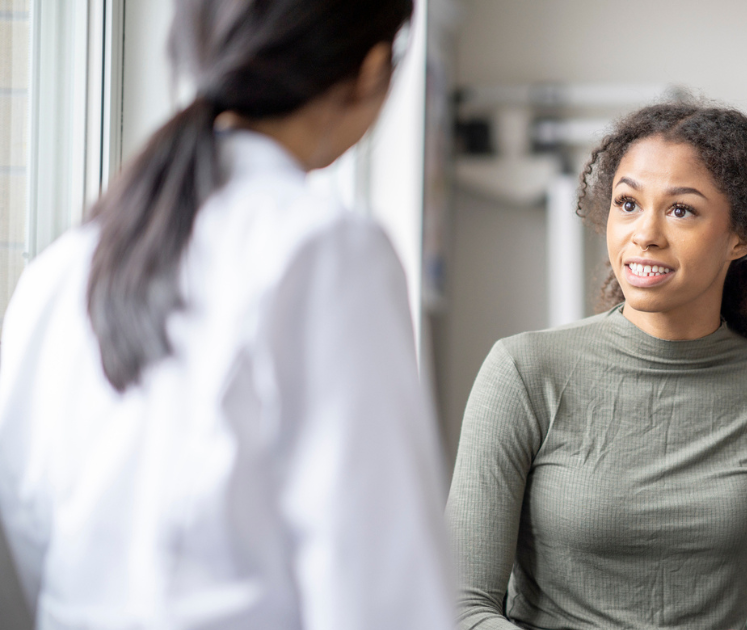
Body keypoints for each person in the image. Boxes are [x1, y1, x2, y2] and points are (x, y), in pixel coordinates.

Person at [0, 1, 454, 629]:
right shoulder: (325, 251)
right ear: (373, 70)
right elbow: (381, 588)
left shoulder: (63, 265)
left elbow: (25, 532)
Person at [447, 102, 747, 630]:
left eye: (681, 210)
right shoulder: (523, 371)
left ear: (740, 237)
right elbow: (461, 605)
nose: (645, 233)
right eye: (627, 203)